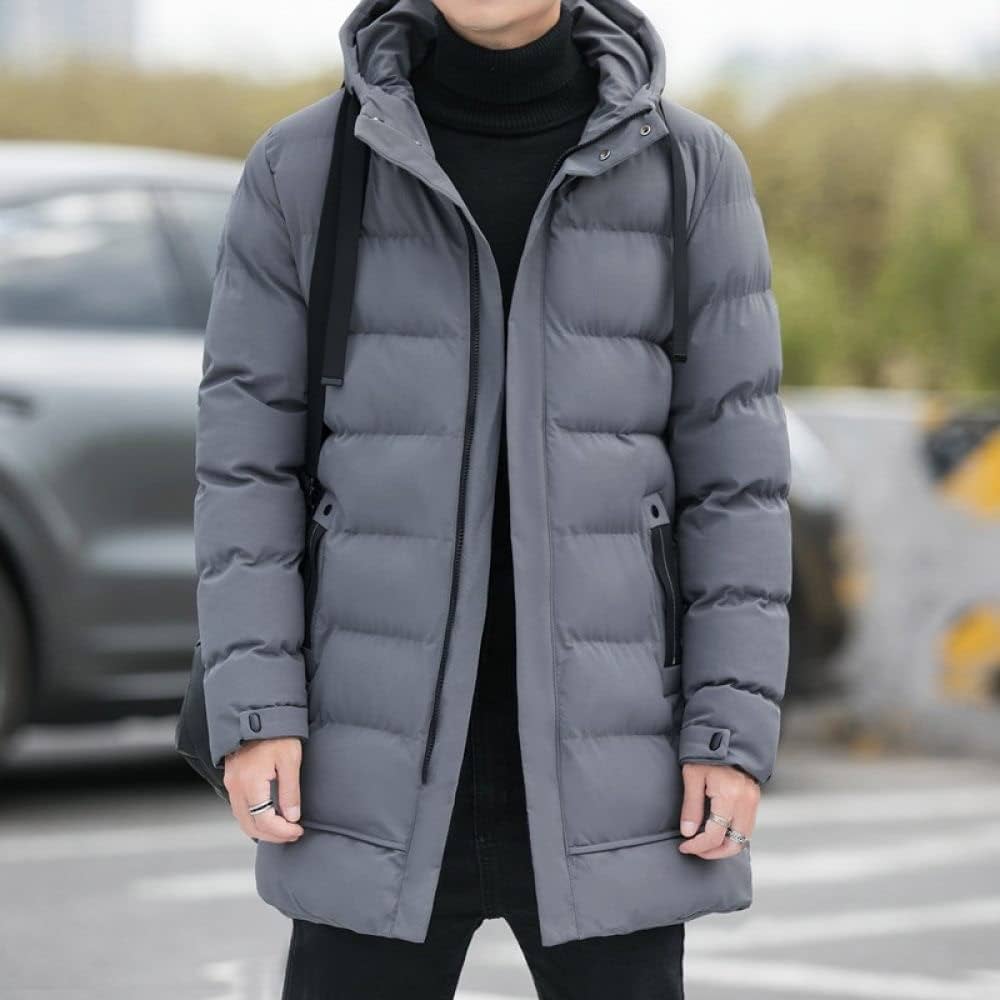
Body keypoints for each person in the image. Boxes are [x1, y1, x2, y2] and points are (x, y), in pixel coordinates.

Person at [192, 0, 792, 995]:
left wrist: (729, 732)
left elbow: (737, 487)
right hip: (366, 764)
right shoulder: (305, 168)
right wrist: (257, 712)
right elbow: (245, 469)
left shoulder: (691, 171)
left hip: (616, 767)